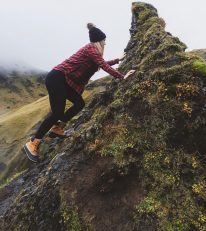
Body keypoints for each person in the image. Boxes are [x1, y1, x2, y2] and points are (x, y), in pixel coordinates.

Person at [23, 23, 135, 163]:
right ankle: (33, 142)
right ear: (99, 42)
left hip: (63, 81)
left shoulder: (93, 52)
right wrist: (122, 76)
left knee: (79, 103)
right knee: (57, 112)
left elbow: (100, 63)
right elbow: (102, 65)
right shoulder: (91, 49)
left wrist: (118, 60)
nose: (105, 43)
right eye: (104, 41)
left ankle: (58, 128)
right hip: (57, 78)